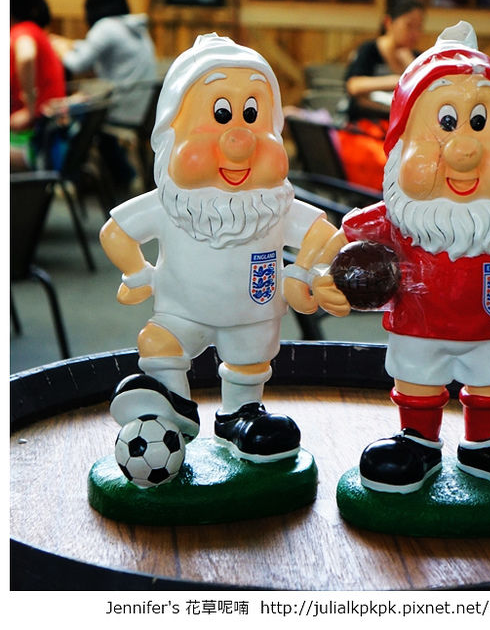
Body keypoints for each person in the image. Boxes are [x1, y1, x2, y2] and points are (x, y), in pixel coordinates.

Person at [294, 21, 490, 497]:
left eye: (480, 124)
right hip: (418, 327)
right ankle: (417, 441)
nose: (464, 151)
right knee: (417, 382)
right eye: (445, 125)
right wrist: (321, 276)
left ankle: (486, 444)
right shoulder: (396, 217)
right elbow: (339, 237)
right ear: (401, 145)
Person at [99, 34, 338, 468]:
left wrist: (303, 273)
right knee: (158, 342)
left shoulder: (274, 205)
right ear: (171, 133)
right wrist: (138, 275)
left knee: (249, 362)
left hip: (253, 315)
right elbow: (115, 233)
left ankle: (241, 415)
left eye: (252, 116)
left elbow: (324, 234)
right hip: (180, 310)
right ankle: (172, 405)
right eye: (221, 116)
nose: (239, 140)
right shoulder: (170, 204)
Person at [56, 0, 158, 192]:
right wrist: (74, 45)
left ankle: (67, 177)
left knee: (74, 113)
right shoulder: (134, 26)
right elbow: (92, 49)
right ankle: (124, 175)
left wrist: (57, 47)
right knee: (90, 115)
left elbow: (77, 64)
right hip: (143, 109)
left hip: (121, 107)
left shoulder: (105, 27)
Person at [335, 0, 425, 191]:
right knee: (390, 167)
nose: (414, 33)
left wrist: (411, 66)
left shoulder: (417, 59)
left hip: (404, 136)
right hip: (364, 130)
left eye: (419, 28)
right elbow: (354, 86)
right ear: (389, 22)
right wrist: (399, 80)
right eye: (409, 26)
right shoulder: (370, 50)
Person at [10, 0, 66, 170]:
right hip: (43, 137)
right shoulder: (32, 30)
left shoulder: (22, 31)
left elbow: (26, 56)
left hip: (35, 145)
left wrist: (30, 109)